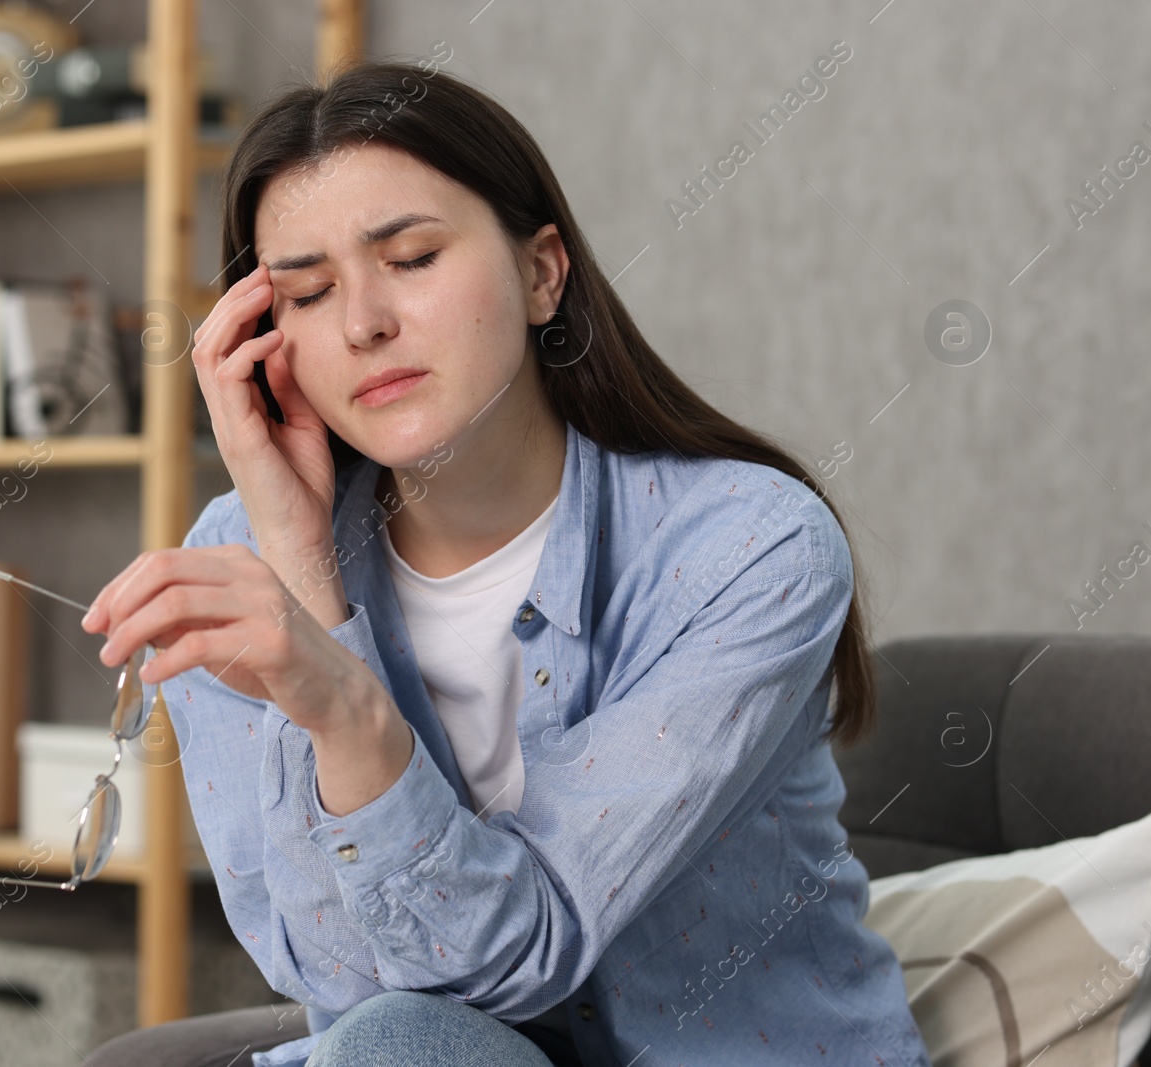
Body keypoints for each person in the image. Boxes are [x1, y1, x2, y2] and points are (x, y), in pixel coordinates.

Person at [81, 58, 932, 1067]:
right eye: (306, 292)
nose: (362, 323)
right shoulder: (241, 563)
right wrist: (308, 573)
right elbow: (336, 978)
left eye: (410, 257)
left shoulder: (750, 550)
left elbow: (533, 950)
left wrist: (343, 704)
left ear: (541, 274)